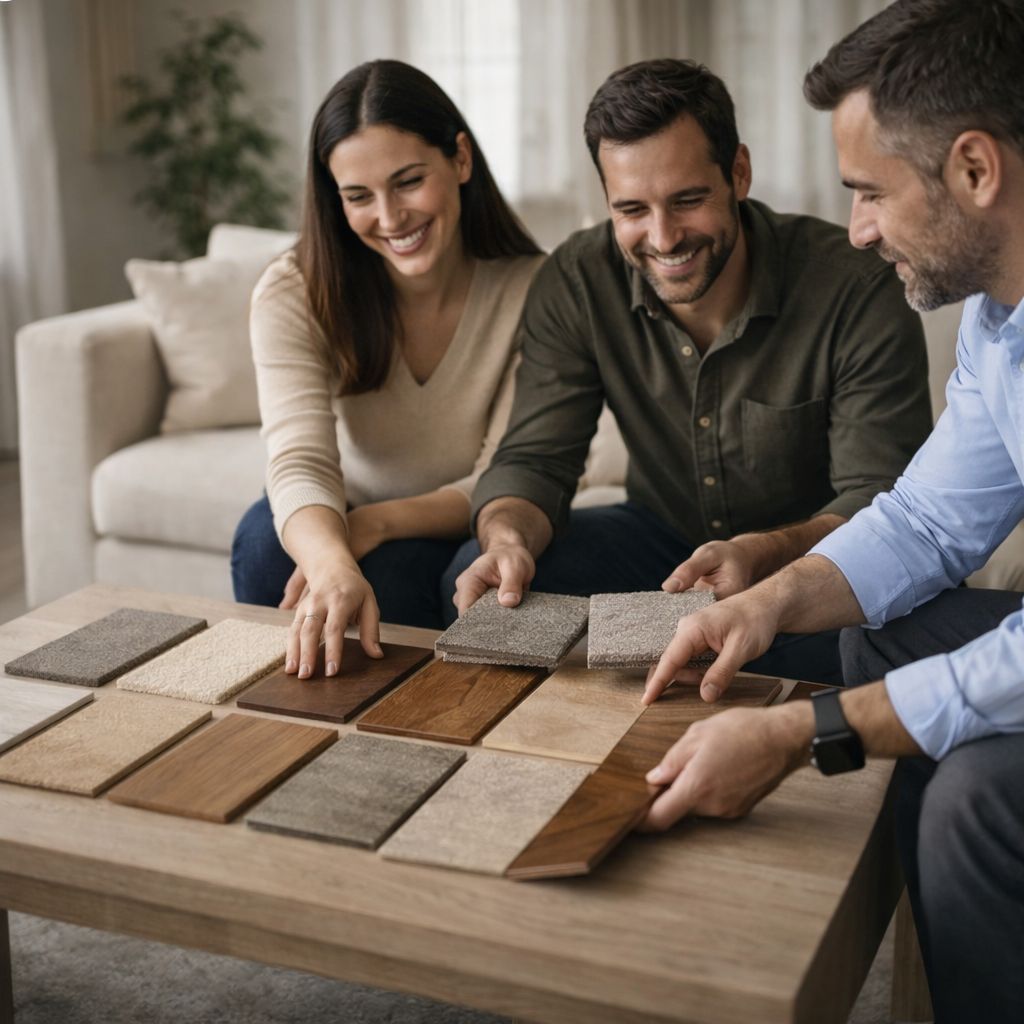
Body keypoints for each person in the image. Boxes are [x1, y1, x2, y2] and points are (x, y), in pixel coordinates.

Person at [639, 2, 1024, 1020]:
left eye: (870, 192)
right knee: (879, 630)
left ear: (974, 169)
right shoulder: (1000, 322)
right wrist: (766, 601)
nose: (857, 229)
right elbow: (928, 523)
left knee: (976, 802)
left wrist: (801, 734)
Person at [446, 58, 932, 684]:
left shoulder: (855, 287)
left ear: (739, 173)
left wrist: (762, 554)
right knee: (483, 585)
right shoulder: (577, 279)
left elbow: (881, 497)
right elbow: (536, 461)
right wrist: (507, 540)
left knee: (880, 648)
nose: (663, 237)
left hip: (815, 561)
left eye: (687, 200)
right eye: (632, 209)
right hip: (661, 544)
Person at [231, 60, 544, 677]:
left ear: (460, 159)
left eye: (408, 182)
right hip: (340, 507)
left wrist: (373, 523)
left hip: (462, 522)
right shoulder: (294, 290)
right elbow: (298, 459)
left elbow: (506, 475)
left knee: (414, 575)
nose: (390, 217)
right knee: (268, 546)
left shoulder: (536, 289)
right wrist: (330, 560)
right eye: (358, 197)